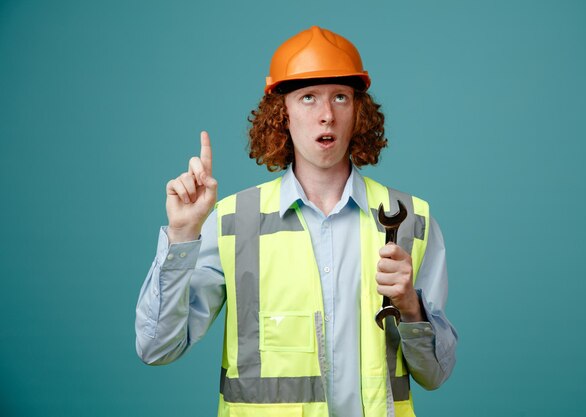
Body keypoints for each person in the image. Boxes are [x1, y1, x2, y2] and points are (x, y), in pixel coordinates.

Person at [135, 25, 457, 417]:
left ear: (358, 111)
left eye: (341, 97)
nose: (326, 115)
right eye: (308, 98)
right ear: (281, 114)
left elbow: (435, 374)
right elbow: (156, 348)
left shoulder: (411, 220)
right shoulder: (235, 222)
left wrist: (410, 307)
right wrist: (183, 235)